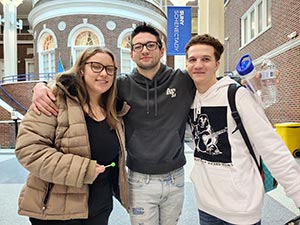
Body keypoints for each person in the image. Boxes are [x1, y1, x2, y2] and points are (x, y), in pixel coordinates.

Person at [30, 23, 196, 225]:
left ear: (162, 51)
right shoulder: (118, 85)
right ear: (132, 54)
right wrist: (41, 87)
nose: (144, 50)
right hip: (139, 177)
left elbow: (212, 82)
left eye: (151, 45)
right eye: (138, 46)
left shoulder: (184, 81)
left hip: (175, 175)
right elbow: (78, 85)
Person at [184, 34, 300, 225]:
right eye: (192, 59)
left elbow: (272, 148)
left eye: (206, 59)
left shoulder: (237, 95)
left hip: (241, 209)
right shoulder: (188, 97)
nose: (198, 65)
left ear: (217, 63)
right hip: (205, 207)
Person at [15, 46, 129, 225]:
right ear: (82, 69)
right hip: (57, 210)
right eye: (96, 66)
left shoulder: (114, 108)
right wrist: (85, 170)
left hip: (99, 206)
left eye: (109, 69)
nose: (104, 73)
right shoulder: (54, 99)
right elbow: (29, 150)